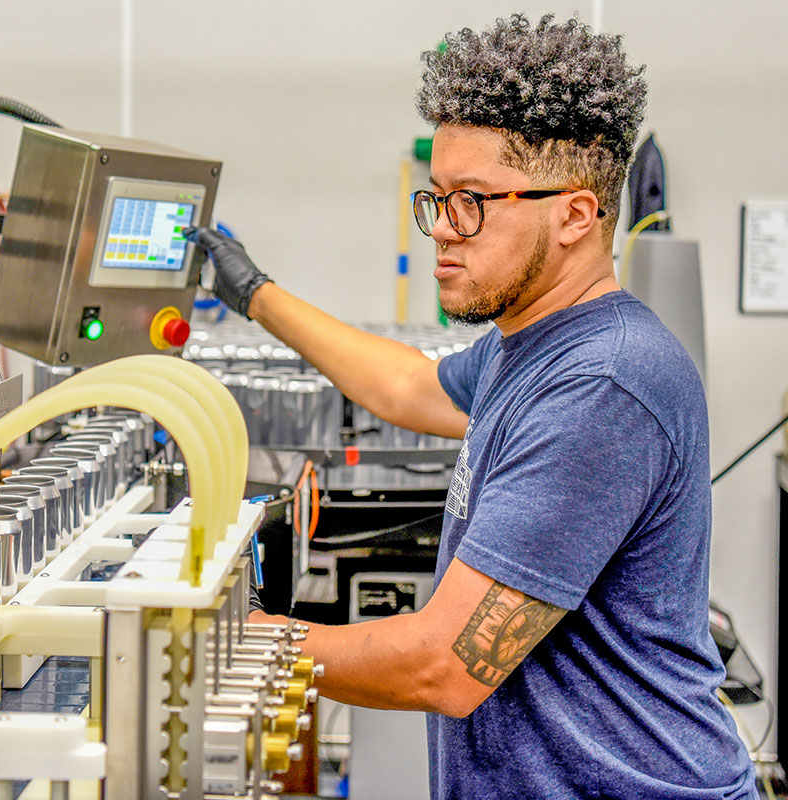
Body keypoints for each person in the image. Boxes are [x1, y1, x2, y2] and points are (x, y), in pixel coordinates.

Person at [184, 14, 757, 799]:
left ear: (576, 215)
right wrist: (255, 293)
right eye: (440, 198)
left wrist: (227, 639)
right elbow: (408, 386)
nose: (444, 232)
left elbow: (443, 664)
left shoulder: (602, 382)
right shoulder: (533, 342)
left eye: (475, 202)